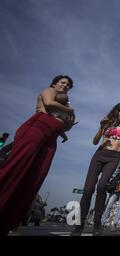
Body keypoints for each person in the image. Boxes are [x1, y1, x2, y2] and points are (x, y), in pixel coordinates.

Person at [0, 75, 76, 235]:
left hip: (51, 139)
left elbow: (64, 127)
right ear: (55, 83)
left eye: (68, 85)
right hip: (36, 129)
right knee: (16, 167)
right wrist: (70, 110)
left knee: (35, 176)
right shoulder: (49, 91)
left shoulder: (64, 104)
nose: (65, 86)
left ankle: (8, 220)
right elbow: (48, 104)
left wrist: (67, 126)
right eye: (62, 82)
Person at [72, 102, 120, 236]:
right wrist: (101, 127)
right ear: (116, 111)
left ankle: (97, 222)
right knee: (88, 190)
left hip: (114, 157)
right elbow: (95, 141)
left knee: (102, 186)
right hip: (100, 155)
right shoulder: (107, 122)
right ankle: (79, 224)